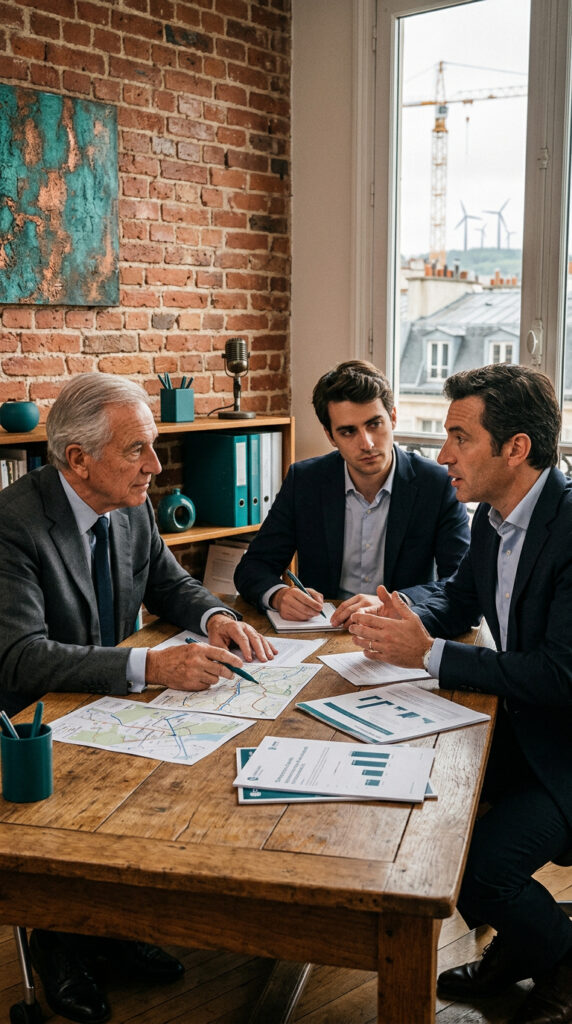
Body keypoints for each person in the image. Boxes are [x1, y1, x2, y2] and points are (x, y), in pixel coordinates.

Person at [0, 372, 276, 1024]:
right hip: (34, 718)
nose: (155, 465)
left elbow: (169, 582)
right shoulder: (13, 525)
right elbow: (19, 657)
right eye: (137, 451)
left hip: (108, 700)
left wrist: (215, 618)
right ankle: (59, 942)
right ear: (77, 459)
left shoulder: (132, 505)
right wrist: (150, 664)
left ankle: (110, 928)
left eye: (153, 447)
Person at [348, 363, 572, 1024]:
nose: (442, 455)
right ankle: (521, 943)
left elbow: (560, 675)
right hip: (518, 727)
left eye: (460, 437)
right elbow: (458, 599)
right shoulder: (493, 518)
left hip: (563, 747)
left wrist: (431, 654)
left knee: (480, 875)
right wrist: (401, 614)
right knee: (423, 815)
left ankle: (559, 955)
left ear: (517, 448)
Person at [234, 359, 470, 627]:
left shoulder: (436, 483)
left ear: (393, 418)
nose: (366, 443)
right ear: (330, 436)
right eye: (348, 432)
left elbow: (461, 582)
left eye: (374, 424)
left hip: (399, 631)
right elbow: (252, 568)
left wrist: (397, 601)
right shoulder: (305, 481)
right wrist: (279, 595)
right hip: (323, 631)